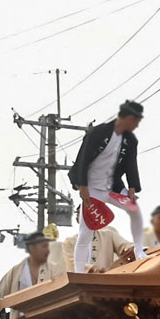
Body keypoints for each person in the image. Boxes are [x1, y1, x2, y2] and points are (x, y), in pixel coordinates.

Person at [67, 100, 145, 269]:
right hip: (91, 188)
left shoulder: (130, 140)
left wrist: (132, 188)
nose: (137, 125)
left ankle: (139, 250)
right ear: (128, 118)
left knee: (135, 211)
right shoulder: (97, 133)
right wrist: (83, 188)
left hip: (113, 187)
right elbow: (82, 161)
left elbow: (131, 163)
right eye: (136, 121)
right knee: (85, 232)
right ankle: (79, 271)